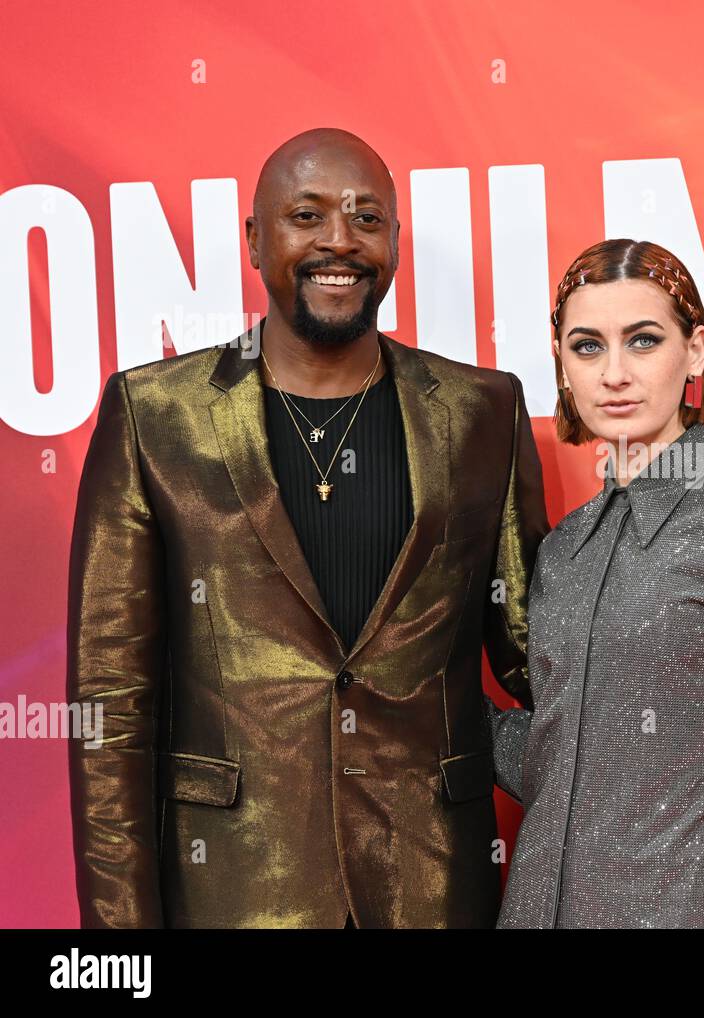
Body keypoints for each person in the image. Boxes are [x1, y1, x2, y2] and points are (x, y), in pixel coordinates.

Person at [65, 128, 551, 927]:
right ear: (256, 240)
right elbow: (109, 706)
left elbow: (545, 664)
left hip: (431, 888)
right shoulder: (153, 415)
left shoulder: (483, 413)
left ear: (394, 240)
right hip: (232, 890)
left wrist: (689, 782)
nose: (339, 240)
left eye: (366, 217)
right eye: (307, 215)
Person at [488, 239, 704, 928]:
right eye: (588, 347)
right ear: (561, 361)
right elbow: (561, 759)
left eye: (642, 341)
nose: (614, 373)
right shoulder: (562, 551)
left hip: (686, 908)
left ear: (696, 352)